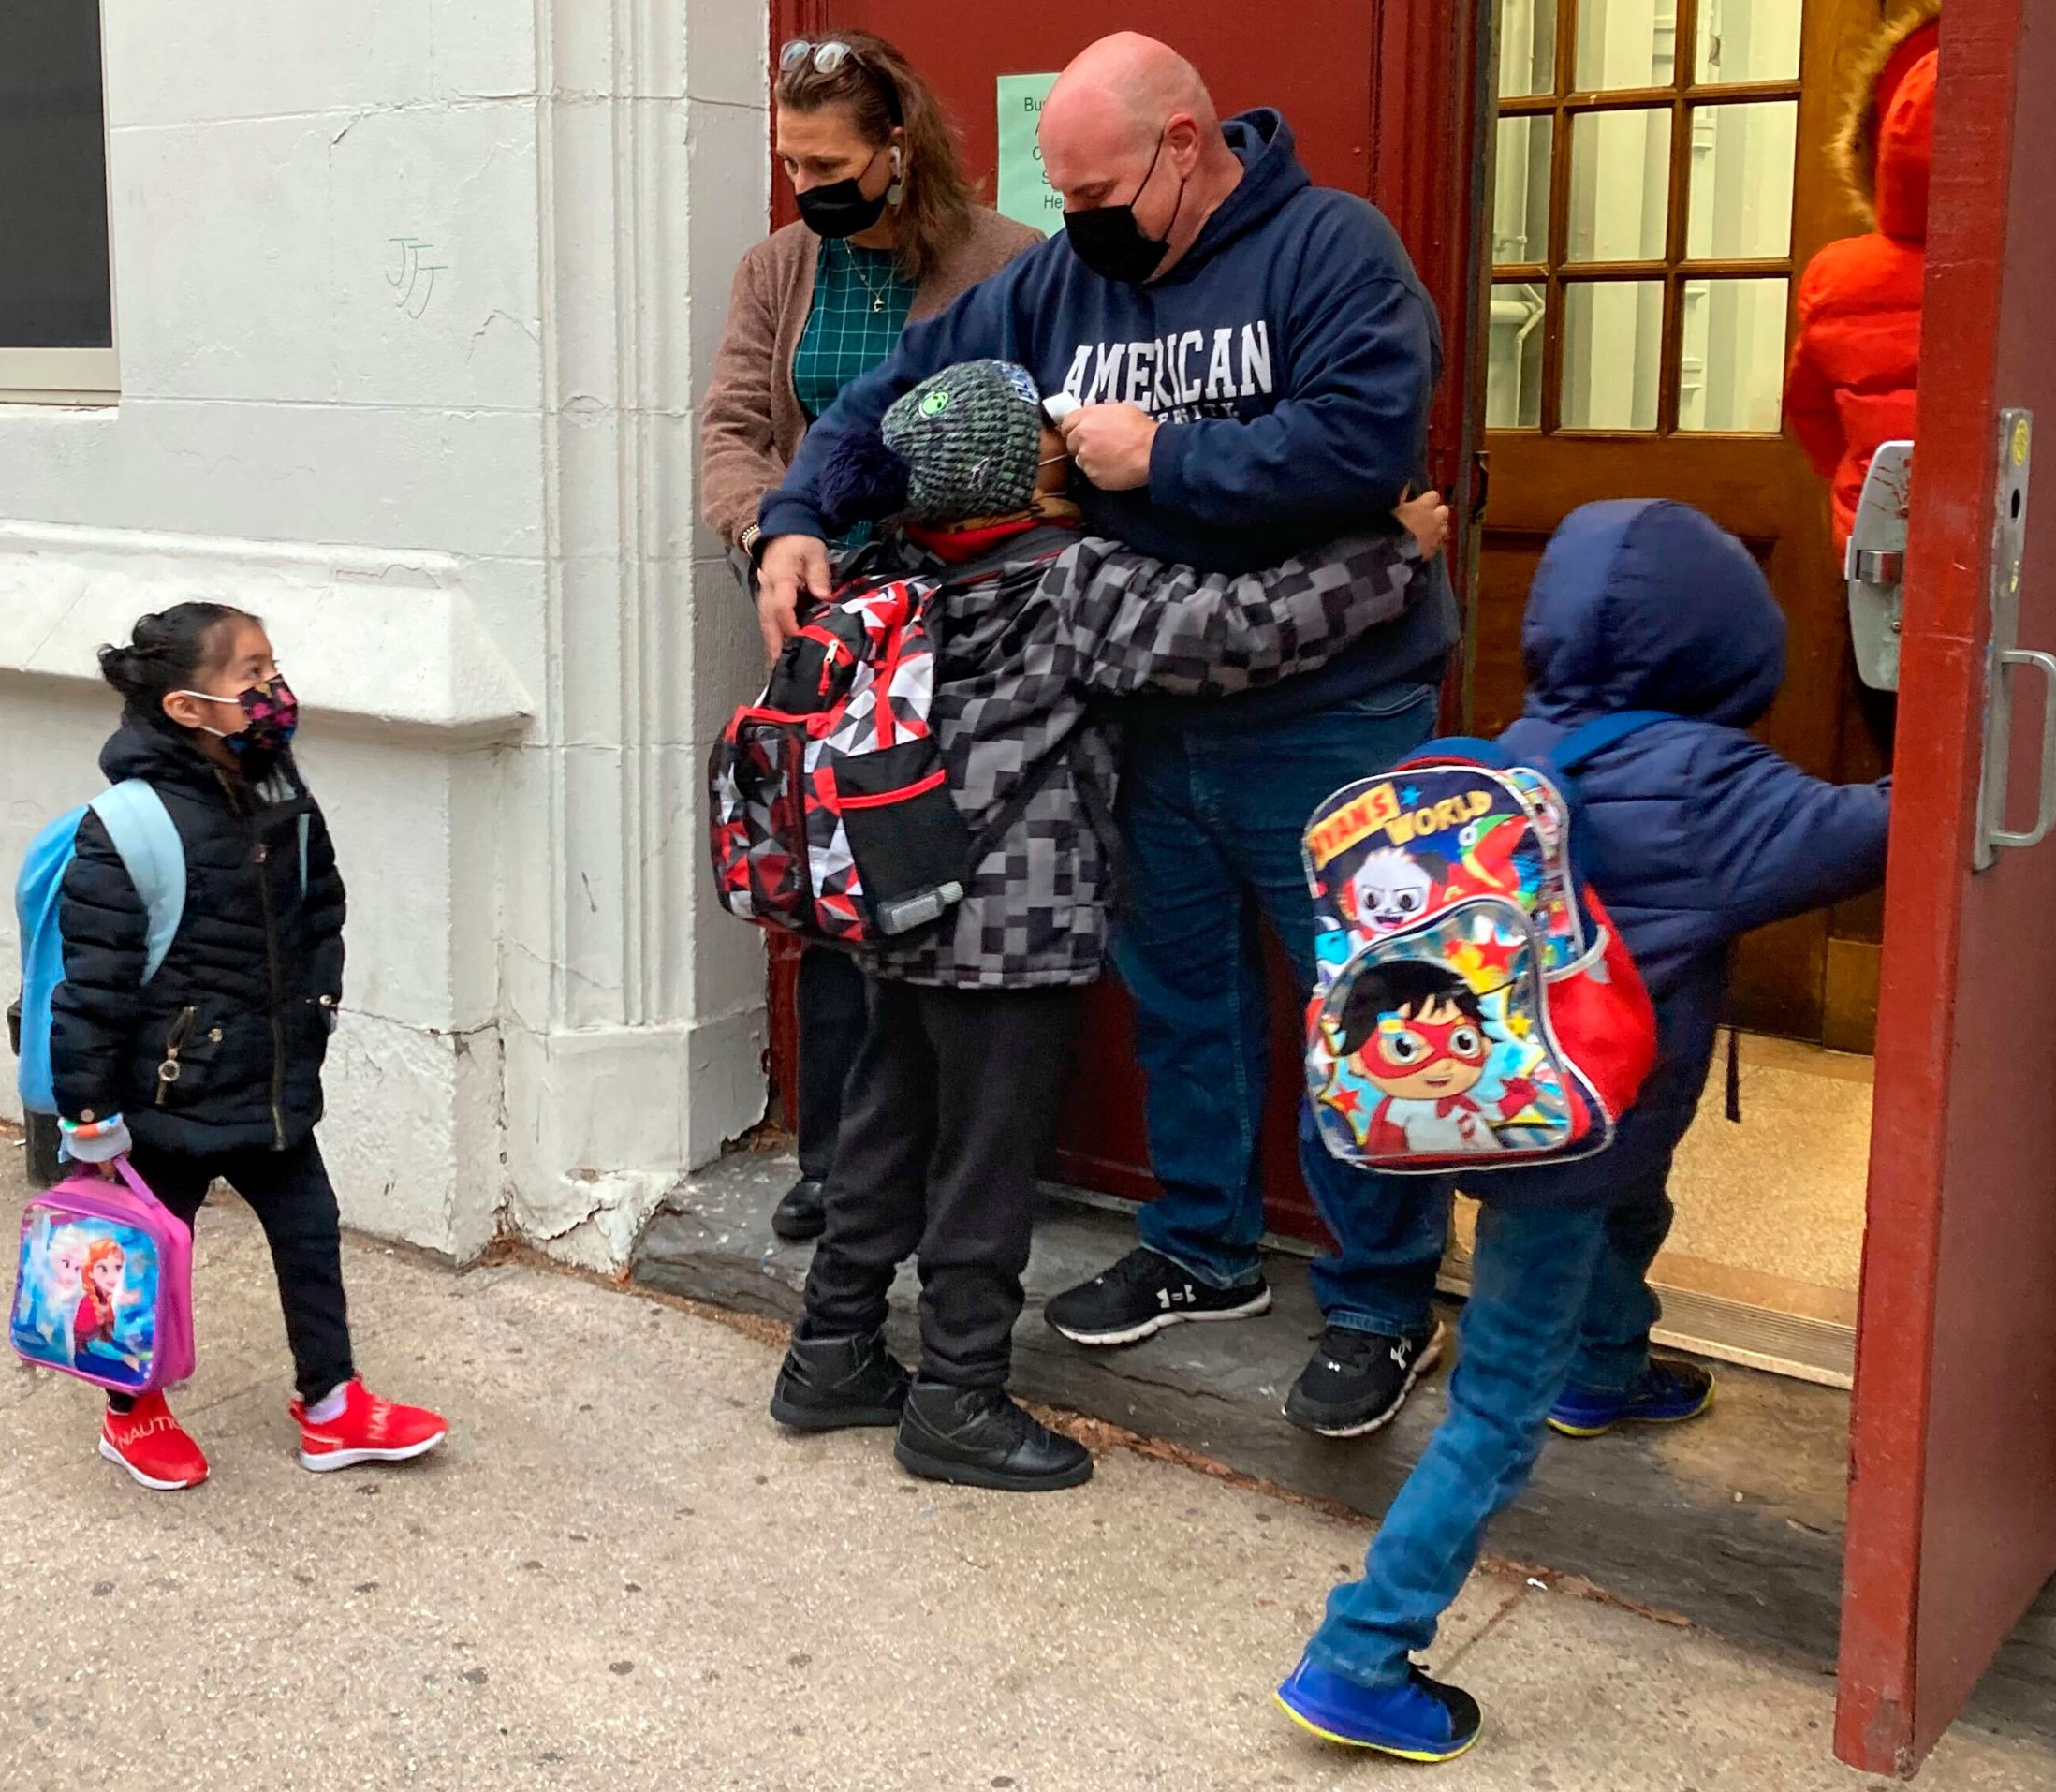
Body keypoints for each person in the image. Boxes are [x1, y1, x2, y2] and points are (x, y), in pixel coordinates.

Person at [753, 33, 1459, 1438]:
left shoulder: (1333, 250)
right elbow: (897, 388)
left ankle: (1382, 1299)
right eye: (1061, 199)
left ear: (1186, 145)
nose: (1076, 228)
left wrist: (1164, 459)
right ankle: (1203, 1250)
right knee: (1187, 999)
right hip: (1137, 706)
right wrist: (794, 516)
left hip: (1329, 716)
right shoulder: (1062, 277)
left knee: (1367, 1003)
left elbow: (1369, 441)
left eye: (1098, 197)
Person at [1273, 501, 1891, 1762]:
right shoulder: (1716, 784)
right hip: (1575, 1140)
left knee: (1637, 1207)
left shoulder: (1518, 751)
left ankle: (1607, 1372)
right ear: (1732, 644)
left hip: (1504, 1113)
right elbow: (1873, 834)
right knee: (1497, 1402)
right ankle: (1360, 1651)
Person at [698, 30, 1040, 1245]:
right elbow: (736, 423)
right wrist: (765, 533)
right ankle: (841, 1158)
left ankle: (961, 1161)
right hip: (825, 626)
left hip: (970, 621)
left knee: (961, 880)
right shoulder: (775, 269)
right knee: (834, 890)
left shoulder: (1009, 261)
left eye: (831, 163)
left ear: (899, 147)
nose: (809, 188)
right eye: (792, 161)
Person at [51, 603, 448, 1491]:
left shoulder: (278, 787)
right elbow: (92, 986)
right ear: (187, 707)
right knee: (143, 1259)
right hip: (168, 1095)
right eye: (251, 677)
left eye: (275, 669)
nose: (274, 692)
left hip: (269, 1079)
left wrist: (318, 1007)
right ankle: (131, 1410)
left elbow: (321, 905)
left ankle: (332, 1402)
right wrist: (87, 1114)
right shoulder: (129, 823)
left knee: (309, 1232)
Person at [1784, 0, 1940, 761]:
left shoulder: (1837, 276)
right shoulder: (2042, 276)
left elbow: (1810, 414)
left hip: (1881, 562)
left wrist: (1857, 489)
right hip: (2021, 568)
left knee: (1905, 769)